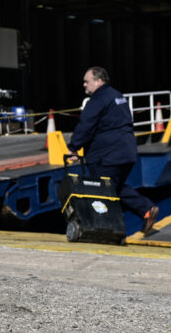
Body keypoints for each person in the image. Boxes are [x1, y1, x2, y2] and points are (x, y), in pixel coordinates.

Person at [66, 66, 158, 233]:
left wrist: (73, 147)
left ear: (99, 81)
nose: (84, 85)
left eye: (87, 81)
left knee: (102, 191)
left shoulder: (98, 100)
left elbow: (86, 125)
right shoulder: (118, 96)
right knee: (115, 186)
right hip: (126, 152)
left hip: (107, 156)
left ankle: (106, 229)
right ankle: (146, 210)